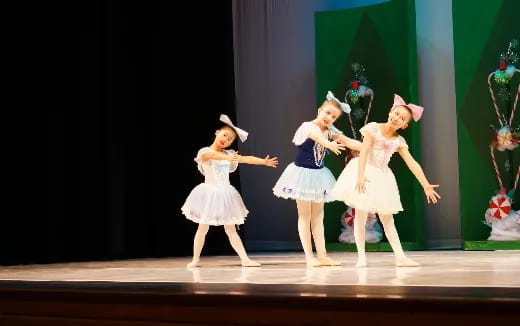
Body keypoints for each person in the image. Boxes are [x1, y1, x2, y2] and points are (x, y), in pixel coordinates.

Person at [331, 94, 441, 267]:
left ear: (405, 125)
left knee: (387, 219)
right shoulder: (373, 128)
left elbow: (412, 163)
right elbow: (365, 150)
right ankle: (361, 257)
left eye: (402, 118)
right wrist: (360, 175)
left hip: (382, 177)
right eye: (396, 113)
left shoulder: (399, 140)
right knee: (360, 215)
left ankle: (400, 257)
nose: (397, 118)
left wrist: (425, 184)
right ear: (391, 111)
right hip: (365, 171)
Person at [273, 91, 362, 267]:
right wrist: (328, 143)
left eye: (334, 116)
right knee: (305, 217)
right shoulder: (307, 126)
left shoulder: (330, 130)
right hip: (302, 175)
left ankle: (322, 255)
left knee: (318, 217)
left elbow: (348, 142)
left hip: (319, 175)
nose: (329, 118)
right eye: (327, 113)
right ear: (319, 110)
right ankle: (309, 257)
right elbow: (316, 137)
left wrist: (370, 147)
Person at [182, 114, 279, 268]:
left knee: (231, 228)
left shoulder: (230, 154)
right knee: (203, 228)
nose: (225, 140)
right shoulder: (204, 151)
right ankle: (195, 259)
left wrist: (263, 162)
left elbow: (246, 158)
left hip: (225, 193)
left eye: (229, 139)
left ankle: (245, 260)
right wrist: (228, 158)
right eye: (224, 135)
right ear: (217, 132)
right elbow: (212, 155)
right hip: (209, 193)